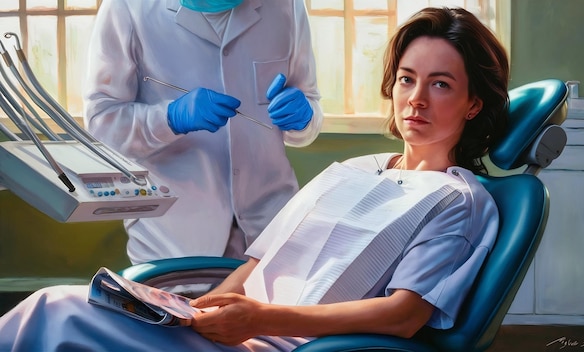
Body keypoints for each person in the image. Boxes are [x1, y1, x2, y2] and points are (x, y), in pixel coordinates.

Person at [0, 6, 510, 351]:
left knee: (54, 314)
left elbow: (402, 316)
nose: (416, 99)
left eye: (440, 84)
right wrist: (190, 312)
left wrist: (256, 322)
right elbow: (259, 260)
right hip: (228, 325)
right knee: (59, 311)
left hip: (270, 340)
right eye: (406, 78)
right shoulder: (354, 170)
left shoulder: (457, 200)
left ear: (473, 105)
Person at [82, 0, 323, 264]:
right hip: (173, 240)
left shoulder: (286, 6)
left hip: (272, 229)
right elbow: (101, 124)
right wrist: (171, 118)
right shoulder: (127, 8)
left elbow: (309, 105)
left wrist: (304, 118)